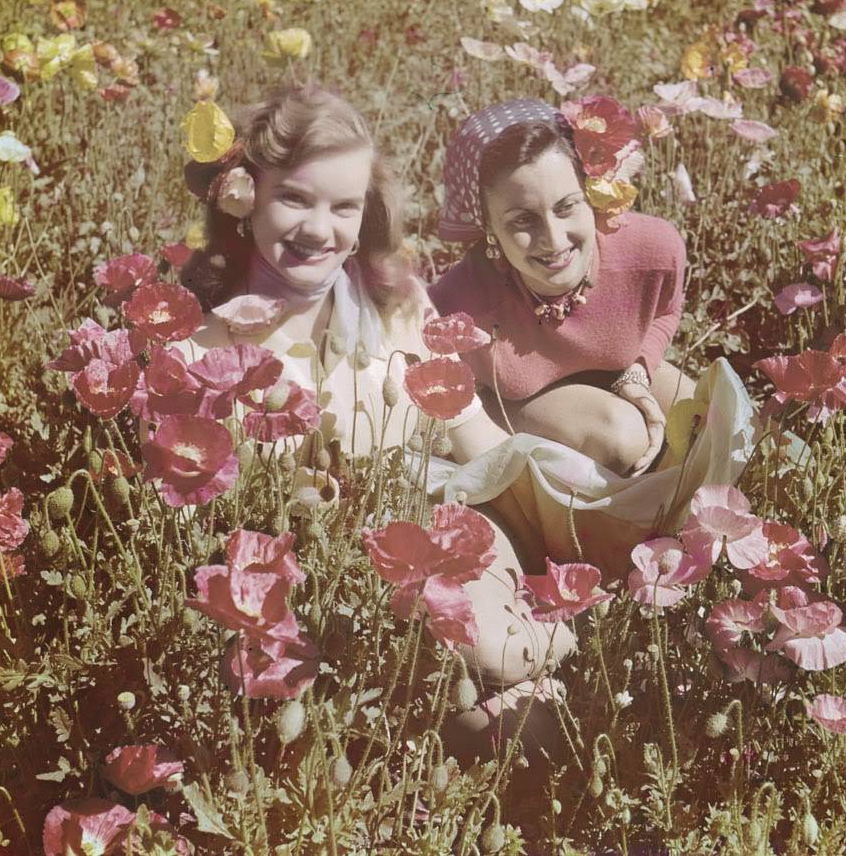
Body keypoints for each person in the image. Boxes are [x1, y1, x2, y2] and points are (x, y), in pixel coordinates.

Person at [176, 82, 574, 767]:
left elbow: (482, 443)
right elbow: (187, 525)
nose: (318, 229)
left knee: (493, 653)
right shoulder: (200, 349)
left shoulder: (397, 307)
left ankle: (564, 643)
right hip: (304, 585)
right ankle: (504, 696)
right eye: (293, 198)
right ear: (243, 198)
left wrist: (580, 521)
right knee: (511, 729)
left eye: (343, 206)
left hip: (430, 535)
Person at [428, 97, 698, 478]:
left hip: (613, 369)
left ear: (592, 193)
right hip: (519, 401)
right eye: (522, 220)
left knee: (710, 421)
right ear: (489, 229)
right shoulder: (460, 304)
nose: (553, 241)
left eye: (567, 206)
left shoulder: (653, 251)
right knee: (621, 436)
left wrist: (638, 370)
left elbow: (666, 310)